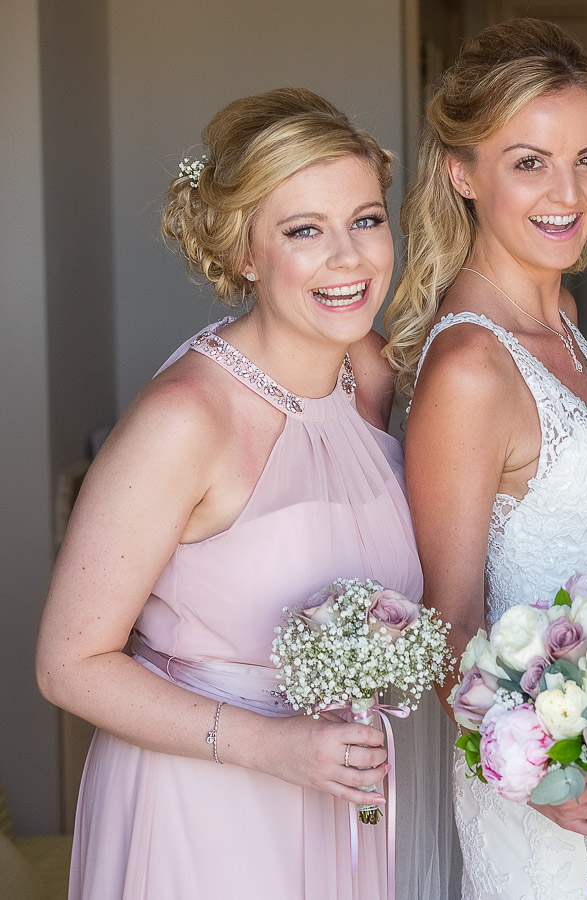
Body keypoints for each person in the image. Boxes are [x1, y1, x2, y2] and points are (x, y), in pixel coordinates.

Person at [34, 88, 419, 899]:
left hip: (347, 804)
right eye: (304, 231)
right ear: (245, 253)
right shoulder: (185, 420)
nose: (350, 259)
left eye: (366, 219)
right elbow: (69, 665)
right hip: (205, 810)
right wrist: (269, 747)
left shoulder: (371, 372)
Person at [384, 19, 587, 900]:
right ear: (461, 170)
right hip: (542, 800)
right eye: (529, 162)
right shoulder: (472, 368)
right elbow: (450, 622)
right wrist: (545, 784)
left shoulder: (566, 322)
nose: (570, 192)